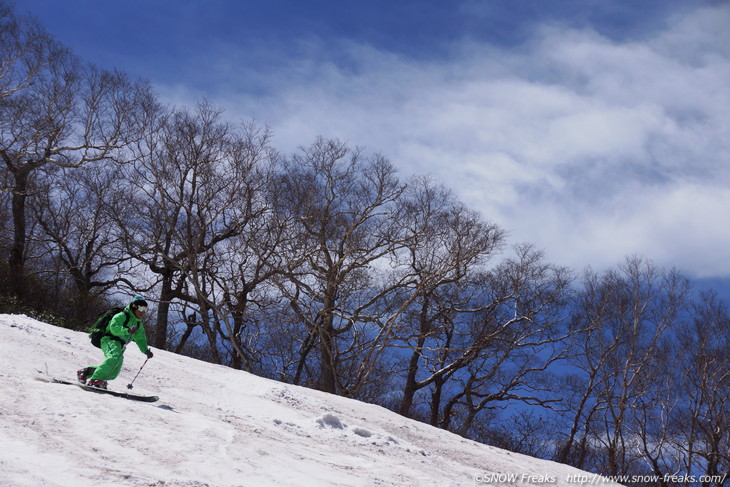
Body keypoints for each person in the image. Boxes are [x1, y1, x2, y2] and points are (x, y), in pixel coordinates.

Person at [77, 296, 154, 389]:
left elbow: (140, 339)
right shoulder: (122, 315)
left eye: (145, 309)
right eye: (141, 308)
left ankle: (85, 373)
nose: (143, 312)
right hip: (109, 339)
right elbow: (114, 328)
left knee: (114, 371)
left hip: (120, 344)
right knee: (114, 357)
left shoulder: (138, 324)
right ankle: (95, 379)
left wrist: (146, 351)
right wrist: (127, 330)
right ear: (134, 307)